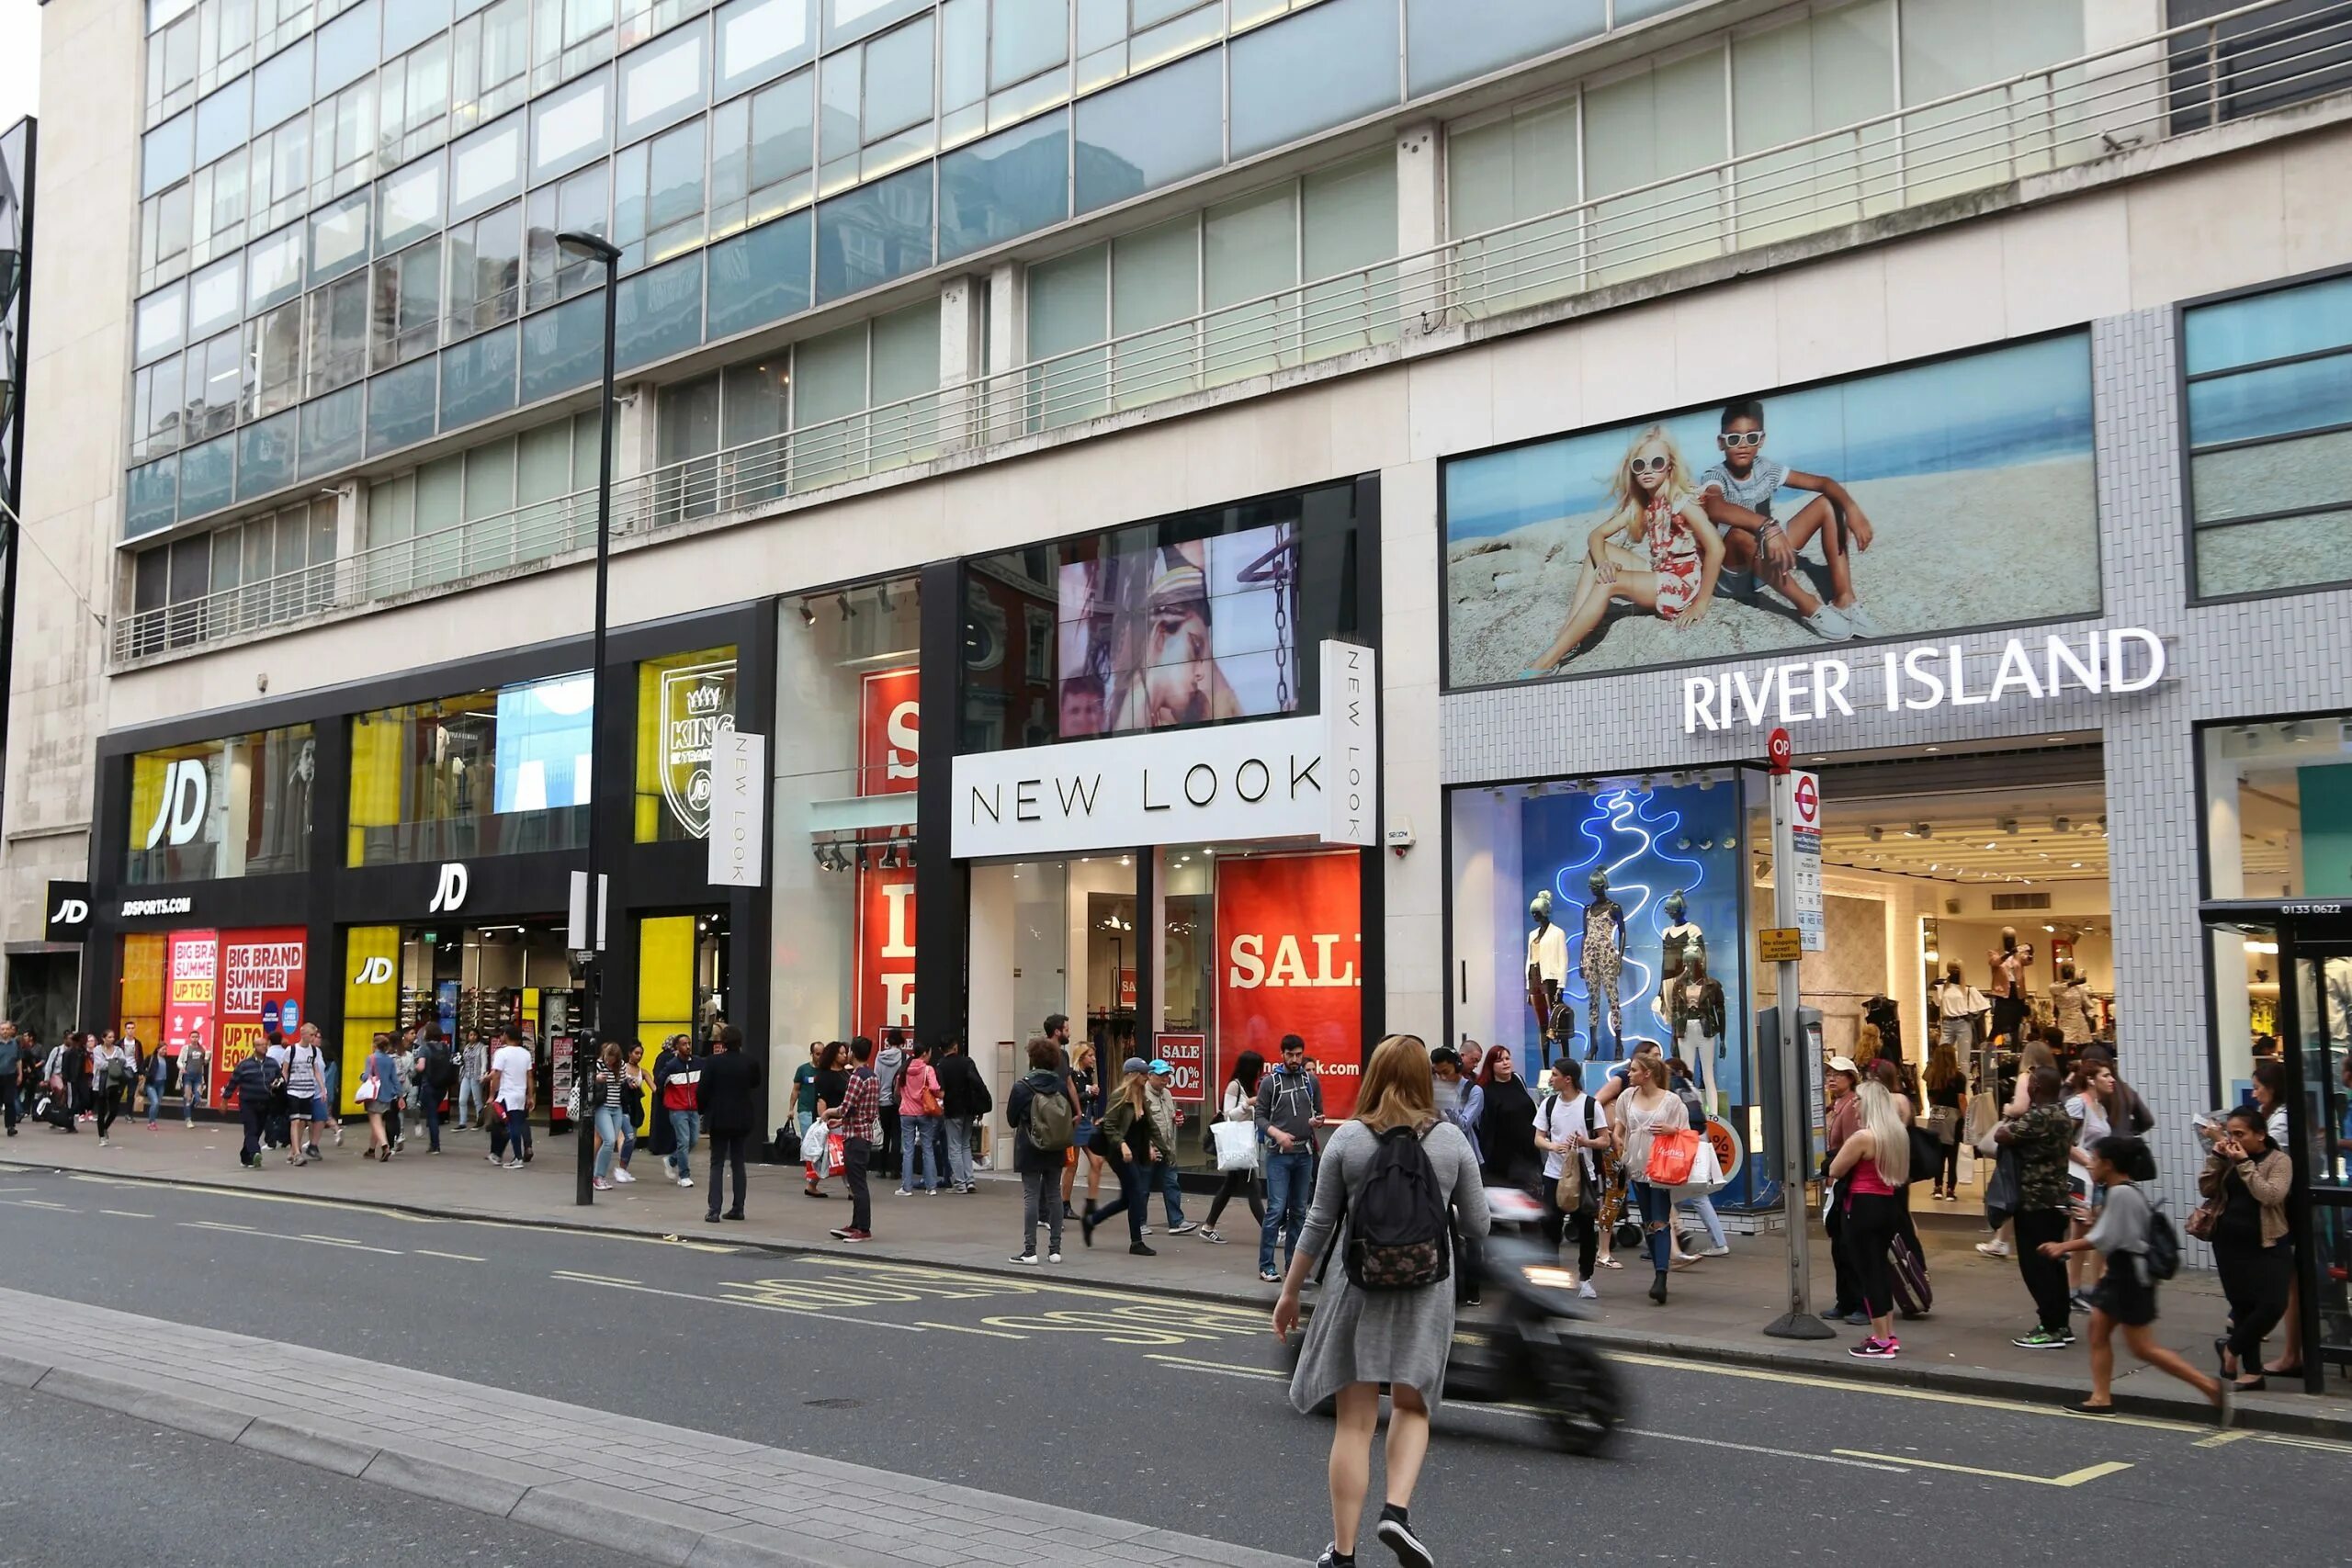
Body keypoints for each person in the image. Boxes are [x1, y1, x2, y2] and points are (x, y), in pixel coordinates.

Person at [1274, 1034, 1490, 1568]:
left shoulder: (1348, 1139)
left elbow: (1318, 1224)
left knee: (1354, 1421)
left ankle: (1343, 1555)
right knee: (1413, 1406)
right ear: (1427, 1077)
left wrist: (1290, 1291)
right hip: (1426, 1286)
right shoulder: (1449, 1140)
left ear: (1372, 1074)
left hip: (1357, 1285)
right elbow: (1480, 1224)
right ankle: (1396, 1512)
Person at [2041, 1134, 2230, 1422]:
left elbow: (2108, 1238)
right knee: (2097, 1331)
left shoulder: (2121, 1194)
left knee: (2143, 1347)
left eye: (2093, 1160)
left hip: (2129, 1276)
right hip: (2121, 1273)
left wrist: (2063, 1246)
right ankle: (2100, 1398)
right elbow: (2114, 1232)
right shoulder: (2121, 1192)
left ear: (2108, 1164)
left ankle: (2210, 1387)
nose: (2089, 1165)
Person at [1521, 424, 1729, 674]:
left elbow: (1716, 548)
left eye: (1657, 462)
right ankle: (1568, 633)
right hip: (1660, 573)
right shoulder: (1644, 504)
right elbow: (1596, 535)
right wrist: (1604, 562)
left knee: (1608, 583)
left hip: (1681, 585)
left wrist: (1702, 603)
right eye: (1640, 465)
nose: (1648, 470)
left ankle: (1544, 663)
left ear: (1670, 466)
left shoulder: (1680, 501)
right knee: (1597, 555)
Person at [1695, 395, 1879, 638]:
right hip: (1732, 575)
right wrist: (1767, 527)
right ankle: (1808, 606)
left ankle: (1844, 598)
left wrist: (1852, 510)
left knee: (1828, 503)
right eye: (1733, 438)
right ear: (1721, 443)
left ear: (1761, 440)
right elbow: (1715, 507)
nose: (1742, 444)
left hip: (1766, 562)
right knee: (1739, 533)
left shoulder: (1766, 469)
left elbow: (1823, 482)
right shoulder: (1715, 476)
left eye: (1751, 437)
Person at [2203, 1106, 2293, 1391]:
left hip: (2268, 1241)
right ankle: (2253, 1373)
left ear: (2261, 1135)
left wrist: (2243, 1163)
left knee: (2273, 1304)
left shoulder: (2279, 1160)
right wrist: (2217, 1158)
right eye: (2230, 1133)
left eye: (2240, 1134)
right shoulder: (2228, 1158)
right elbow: (2207, 1189)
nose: (2234, 1140)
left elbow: (2270, 1195)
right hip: (2229, 1242)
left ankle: (2231, 1349)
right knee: (2243, 1306)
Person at [1827, 1079, 1913, 1359]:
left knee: (1868, 1273)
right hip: (1888, 1205)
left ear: (1869, 1104)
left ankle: (1881, 1340)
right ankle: (1887, 1334)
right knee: (1880, 1270)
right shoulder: (1897, 1135)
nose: (1854, 1103)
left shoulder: (1863, 1138)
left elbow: (1836, 1169)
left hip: (1862, 1207)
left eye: (1858, 1099)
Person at [1997, 1066, 2078, 1349]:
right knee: (2054, 1264)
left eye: (2030, 1084)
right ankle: (2061, 1322)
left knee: (2036, 1267)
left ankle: (2050, 1326)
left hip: (2035, 1201)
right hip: (2056, 1199)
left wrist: (2012, 1111)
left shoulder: (2039, 1116)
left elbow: (2002, 1136)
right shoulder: (2062, 1114)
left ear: (2036, 1088)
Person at [1617, 1051, 1691, 1305]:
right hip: (1636, 1166)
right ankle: (1658, 1270)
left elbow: (1686, 1134)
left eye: (1633, 1070)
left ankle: (1661, 1277)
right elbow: (1621, 1128)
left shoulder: (1671, 1102)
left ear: (1647, 1074)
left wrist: (1672, 1130)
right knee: (1648, 1219)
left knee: (1659, 1220)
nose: (1629, 1074)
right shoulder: (1627, 1097)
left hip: (1661, 1167)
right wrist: (1619, 1147)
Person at [1534, 1058, 1609, 1299]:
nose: (1551, 1078)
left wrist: (1585, 1142)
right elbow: (1538, 1138)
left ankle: (1585, 1279)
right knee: (1550, 1229)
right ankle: (1551, 1280)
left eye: (1555, 1074)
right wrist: (1553, 1146)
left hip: (1582, 1176)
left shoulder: (1590, 1105)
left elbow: (1605, 1140)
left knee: (1586, 1229)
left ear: (1568, 1079)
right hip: (1553, 1175)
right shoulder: (1548, 1104)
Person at [1256, 1034, 1325, 1284]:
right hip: (1279, 1155)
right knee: (1275, 1209)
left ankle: (1293, 1266)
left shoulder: (1310, 1080)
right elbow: (1260, 1117)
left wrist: (1317, 1121)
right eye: (1290, 1055)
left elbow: (1319, 1111)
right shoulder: (1270, 1083)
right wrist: (1277, 1133)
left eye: (1298, 1055)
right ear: (1282, 1054)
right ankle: (1266, 1265)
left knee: (1299, 1211)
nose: (1295, 1060)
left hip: (1303, 1153)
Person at [1081, 1059, 1170, 1256]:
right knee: (1137, 1193)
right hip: (1120, 1155)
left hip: (1136, 1154)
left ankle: (1091, 1221)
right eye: (1144, 1073)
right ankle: (1136, 1242)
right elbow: (1110, 1126)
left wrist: (1164, 1150)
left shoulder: (1141, 1096)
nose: (1147, 1076)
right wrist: (1122, 1145)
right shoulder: (1119, 1096)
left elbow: (1150, 1127)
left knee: (1126, 1200)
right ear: (1134, 1075)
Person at [1006, 1035, 1073, 1263]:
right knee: (1054, 1195)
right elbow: (1069, 1114)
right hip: (1056, 1146)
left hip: (1030, 1146)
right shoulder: (1061, 1086)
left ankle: (1030, 1251)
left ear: (1032, 1059)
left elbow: (1011, 1120)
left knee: (1031, 1196)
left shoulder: (1022, 1087)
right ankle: (1055, 1250)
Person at [1816, 1055, 1865, 1323]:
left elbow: (1851, 1146)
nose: (1832, 1079)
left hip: (1846, 1184)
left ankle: (1859, 1303)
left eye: (1839, 1074)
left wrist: (1835, 1173)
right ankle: (1844, 1301)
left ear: (1851, 1078)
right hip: (1836, 1182)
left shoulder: (1852, 1107)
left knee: (1848, 1245)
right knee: (1838, 1245)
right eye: (1829, 1074)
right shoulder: (1836, 1105)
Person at [1200, 1050, 1266, 1246]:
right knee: (1253, 1186)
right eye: (1258, 1068)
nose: (1259, 1072)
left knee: (1230, 1186)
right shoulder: (1234, 1086)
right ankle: (1268, 1229)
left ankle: (1208, 1226)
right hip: (1235, 1142)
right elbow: (1228, 1115)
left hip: (1242, 1142)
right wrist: (1247, 1105)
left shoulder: (1248, 1087)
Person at [698, 1023, 760, 1224]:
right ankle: (738, 1208)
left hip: (719, 1116)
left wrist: (702, 1110)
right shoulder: (749, 1062)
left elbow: (703, 1089)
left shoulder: (713, 1062)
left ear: (723, 1042)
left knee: (716, 1163)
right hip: (742, 1117)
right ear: (740, 1042)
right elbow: (756, 1083)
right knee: (738, 1162)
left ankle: (714, 1209)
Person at [828, 1035, 880, 1243]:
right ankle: (855, 1224)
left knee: (857, 1184)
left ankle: (864, 1228)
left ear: (852, 1053)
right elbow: (863, 1109)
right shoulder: (873, 1076)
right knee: (857, 1180)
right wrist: (839, 1123)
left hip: (855, 1137)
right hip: (864, 1133)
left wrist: (829, 1114)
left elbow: (845, 1107)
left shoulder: (856, 1077)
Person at [1476, 1046, 1539, 1190]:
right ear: (1491, 1065)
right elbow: (1486, 1128)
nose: (1505, 1063)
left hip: (1529, 1152)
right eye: (1499, 1060)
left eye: (1507, 1058)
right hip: (1504, 1159)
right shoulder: (1486, 1090)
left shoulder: (1518, 1080)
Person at [1143, 1059, 1193, 1235]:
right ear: (1150, 1075)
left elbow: (1170, 1116)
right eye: (1161, 1075)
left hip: (1167, 1148)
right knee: (1143, 1187)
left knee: (1172, 1184)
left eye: (1167, 1075)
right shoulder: (1142, 1095)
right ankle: (1140, 1222)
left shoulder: (1167, 1094)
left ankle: (1176, 1221)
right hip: (1149, 1149)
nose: (1165, 1079)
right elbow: (1140, 1124)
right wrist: (1147, 1146)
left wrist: (1176, 1120)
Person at [936, 1036, 992, 1195]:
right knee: (965, 1144)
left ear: (941, 1050)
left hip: (952, 1110)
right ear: (955, 1047)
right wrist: (980, 1108)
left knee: (954, 1147)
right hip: (969, 1109)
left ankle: (960, 1184)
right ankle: (970, 1180)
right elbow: (978, 1084)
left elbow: (941, 1091)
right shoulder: (968, 1062)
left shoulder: (941, 1066)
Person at [1064, 1039, 1108, 1220]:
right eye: (1090, 1055)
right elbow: (1070, 1097)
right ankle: (1064, 1203)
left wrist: (1094, 1096)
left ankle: (1091, 1202)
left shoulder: (1089, 1074)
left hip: (1087, 1122)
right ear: (1081, 1057)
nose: (1093, 1059)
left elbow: (1090, 1099)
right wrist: (1088, 1093)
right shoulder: (1072, 1075)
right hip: (1076, 1122)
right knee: (1071, 1165)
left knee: (1097, 1161)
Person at [895, 1041, 942, 1195]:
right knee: (927, 1148)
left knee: (908, 1150)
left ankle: (906, 1187)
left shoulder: (904, 1069)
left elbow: (897, 1089)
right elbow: (935, 1088)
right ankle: (931, 1187)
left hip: (906, 1113)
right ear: (925, 1054)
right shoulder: (928, 1070)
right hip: (924, 1112)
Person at [487, 1025, 536, 1169]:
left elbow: (496, 1075)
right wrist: (530, 1096)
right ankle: (505, 1154)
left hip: (505, 1094)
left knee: (507, 1125)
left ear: (507, 1035)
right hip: (520, 1094)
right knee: (515, 1124)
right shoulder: (526, 1054)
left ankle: (516, 1157)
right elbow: (530, 1076)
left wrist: (491, 1094)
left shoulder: (501, 1053)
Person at [1923, 1041, 1966, 1200]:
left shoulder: (1932, 1077)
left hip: (1936, 1116)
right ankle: (1950, 1189)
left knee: (1938, 1154)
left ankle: (1937, 1187)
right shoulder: (1958, 1077)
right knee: (1952, 1154)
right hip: (1953, 1118)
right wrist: (1966, 1118)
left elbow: (1930, 1098)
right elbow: (1961, 1099)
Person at [656, 1033, 701, 1188]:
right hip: (677, 1108)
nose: (687, 1046)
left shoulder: (698, 1062)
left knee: (693, 1140)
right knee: (684, 1141)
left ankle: (671, 1160)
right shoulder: (672, 1065)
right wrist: (669, 1099)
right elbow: (660, 1082)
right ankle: (684, 1175)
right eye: (683, 1044)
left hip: (693, 1107)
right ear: (676, 1047)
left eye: (689, 1043)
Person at [805, 1041, 848, 1198]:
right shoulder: (824, 1076)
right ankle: (851, 1188)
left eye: (845, 1052)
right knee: (837, 1155)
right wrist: (824, 1123)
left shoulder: (845, 1073)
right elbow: (821, 1100)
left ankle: (811, 1184)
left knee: (834, 1155)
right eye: (841, 1053)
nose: (844, 1056)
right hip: (832, 1120)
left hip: (843, 1119)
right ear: (833, 1055)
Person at [227, 1043, 280, 1168]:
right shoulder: (244, 1064)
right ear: (254, 1048)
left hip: (265, 1102)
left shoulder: (272, 1063)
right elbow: (233, 1081)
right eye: (261, 1045)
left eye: (266, 1045)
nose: (265, 1047)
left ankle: (246, 1157)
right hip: (248, 1102)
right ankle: (256, 1153)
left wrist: (276, 1083)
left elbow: (279, 1077)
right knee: (251, 1129)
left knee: (257, 1130)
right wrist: (225, 1099)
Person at [586, 1041, 629, 1191]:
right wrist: (595, 1079)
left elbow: (623, 1082)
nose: (608, 1060)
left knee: (610, 1143)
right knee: (610, 1140)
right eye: (607, 1056)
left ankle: (600, 1176)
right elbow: (585, 1081)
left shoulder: (622, 1066)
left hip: (616, 1107)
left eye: (612, 1057)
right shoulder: (598, 1064)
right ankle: (597, 1176)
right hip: (602, 1107)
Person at [1429, 1047, 1483, 1169]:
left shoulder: (1474, 1092)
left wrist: (1445, 1101)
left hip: (1466, 1159)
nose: (1442, 1078)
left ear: (1458, 1067)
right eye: (1438, 1073)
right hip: (1440, 1156)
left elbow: (1463, 1126)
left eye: (1446, 1072)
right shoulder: (1434, 1090)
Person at [281, 1027, 327, 1166]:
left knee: (303, 1122)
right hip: (293, 1090)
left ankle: (294, 1150)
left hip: (308, 1091)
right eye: (312, 1035)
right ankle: (297, 1154)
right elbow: (285, 1071)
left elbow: (316, 1071)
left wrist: (322, 1089)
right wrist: (285, 1088)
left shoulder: (313, 1051)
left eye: (315, 1035)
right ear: (304, 1035)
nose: (314, 1038)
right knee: (295, 1121)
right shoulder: (291, 1050)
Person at [360, 1033, 402, 1161]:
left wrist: (362, 1076)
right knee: (377, 1122)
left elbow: (367, 1076)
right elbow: (395, 1079)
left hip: (374, 1094)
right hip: (387, 1094)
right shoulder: (390, 1060)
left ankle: (385, 1147)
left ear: (375, 1045)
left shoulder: (371, 1058)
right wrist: (399, 1095)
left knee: (376, 1122)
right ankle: (371, 1150)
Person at [90, 1029, 134, 1146]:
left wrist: (112, 1064)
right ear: (103, 1038)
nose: (111, 1039)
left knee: (114, 1110)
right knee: (101, 1111)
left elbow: (123, 1062)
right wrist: (114, 1063)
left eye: (113, 1037)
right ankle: (101, 1136)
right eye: (109, 1037)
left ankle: (105, 1127)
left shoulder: (118, 1050)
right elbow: (100, 1064)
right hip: (101, 1083)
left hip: (115, 1083)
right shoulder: (97, 1050)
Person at [875, 1028, 906, 1180]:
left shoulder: (879, 1057)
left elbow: (876, 1079)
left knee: (885, 1134)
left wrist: (876, 1101)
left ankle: (881, 1169)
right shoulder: (905, 1057)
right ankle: (895, 1170)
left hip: (883, 1101)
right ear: (901, 1042)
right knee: (897, 1134)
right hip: (899, 1101)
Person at [791, 1043, 822, 1156]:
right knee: (808, 1139)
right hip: (806, 1109)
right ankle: (810, 1167)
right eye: (818, 1054)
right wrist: (791, 1109)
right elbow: (796, 1089)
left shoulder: (825, 1071)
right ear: (812, 1054)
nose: (820, 1057)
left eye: (822, 1054)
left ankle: (816, 1168)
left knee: (820, 1141)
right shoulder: (803, 1069)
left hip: (820, 1111)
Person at [456, 1030, 488, 1130]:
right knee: (462, 1100)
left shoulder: (481, 1047)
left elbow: (484, 1062)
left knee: (477, 1100)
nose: (473, 1037)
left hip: (476, 1075)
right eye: (471, 1035)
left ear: (478, 1036)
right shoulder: (467, 1047)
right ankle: (462, 1122)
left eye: (474, 1035)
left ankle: (479, 1120)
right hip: (466, 1075)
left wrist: (483, 1074)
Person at [179, 1030, 209, 1128]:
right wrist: (181, 1067)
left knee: (197, 1098)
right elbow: (179, 1061)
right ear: (189, 1038)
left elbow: (204, 1063)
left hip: (198, 1077)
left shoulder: (202, 1049)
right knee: (187, 1097)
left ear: (199, 1038)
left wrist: (208, 1058)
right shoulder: (186, 1048)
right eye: (193, 1037)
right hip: (187, 1075)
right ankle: (188, 1119)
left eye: (196, 1037)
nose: (194, 1039)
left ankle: (189, 1110)